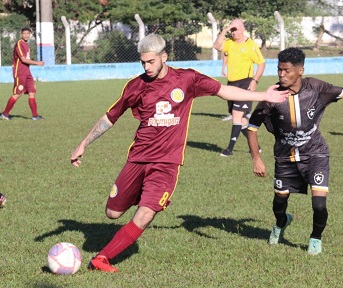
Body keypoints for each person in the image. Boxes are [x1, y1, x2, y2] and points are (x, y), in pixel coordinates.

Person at [70, 34, 290, 273]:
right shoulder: (136, 86)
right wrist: (84, 143)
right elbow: (110, 117)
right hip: (137, 159)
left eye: (151, 62)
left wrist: (264, 96)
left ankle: (102, 258)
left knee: (145, 214)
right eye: (143, 62)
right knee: (112, 213)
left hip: (167, 164)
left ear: (164, 57)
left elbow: (224, 91)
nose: (146, 67)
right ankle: (142, 195)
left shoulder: (187, 79)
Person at [247, 47, 343, 255]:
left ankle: (315, 239)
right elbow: (251, 127)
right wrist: (257, 158)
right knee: (279, 202)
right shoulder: (272, 95)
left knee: (319, 204)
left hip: (315, 153)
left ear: (300, 70)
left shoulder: (317, 88)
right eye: (279, 70)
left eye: (286, 71)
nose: (281, 75)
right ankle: (282, 222)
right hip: (285, 156)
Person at [213, 18, 265, 156]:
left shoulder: (250, 45)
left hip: (245, 83)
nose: (233, 32)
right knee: (241, 121)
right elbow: (216, 46)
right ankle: (256, 147)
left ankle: (229, 149)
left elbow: (261, 64)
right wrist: (225, 30)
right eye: (232, 29)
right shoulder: (229, 42)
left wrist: (255, 80)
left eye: (235, 29)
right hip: (232, 84)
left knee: (236, 116)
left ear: (242, 30)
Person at [0, 27, 45, 121]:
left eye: (28, 33)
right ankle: (5, 114)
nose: (26, 35)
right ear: (21, 34)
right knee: (18, 93)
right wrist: (38, 63)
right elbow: (23, 59)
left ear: (30, 35)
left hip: (27, 72)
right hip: (20, 73)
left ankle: (35, 116)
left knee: (32, 92)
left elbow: (26, 61)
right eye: (24, 33)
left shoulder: (27, 44)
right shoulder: (19, 44)